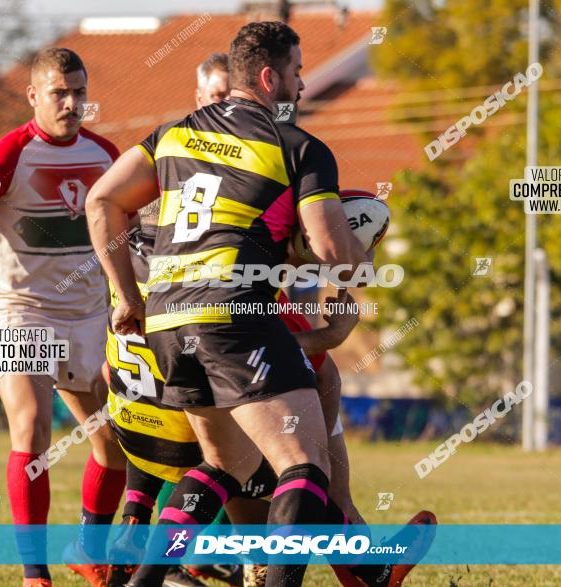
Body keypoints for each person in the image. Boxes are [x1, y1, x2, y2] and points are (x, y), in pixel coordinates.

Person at [87, 20, 435, 586]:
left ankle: (146, 582)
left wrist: (128, 297)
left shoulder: (172, 135)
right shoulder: (299, 147)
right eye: (296, 73)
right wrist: (358, 256)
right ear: (271, 77)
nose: (301, 86)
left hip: (169, 320)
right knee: (303, 464)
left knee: (224, 466)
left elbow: (102, 199)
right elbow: (329, 248)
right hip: (233, 313)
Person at [0, 48, 126, 587]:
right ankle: (35, 574)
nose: (72, 102)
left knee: (115, 450)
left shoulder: (106, 155)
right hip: (21, 312)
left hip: (89, 317)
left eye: (79, 91)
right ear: (33, 95)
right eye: (60, 92)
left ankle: (89, 548)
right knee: (31, 429)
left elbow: (135, 232)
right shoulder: (8, 155)